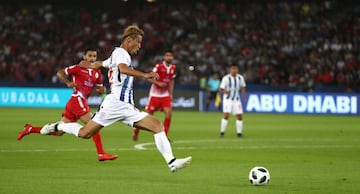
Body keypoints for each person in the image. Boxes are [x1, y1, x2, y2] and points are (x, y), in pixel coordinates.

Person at [40, 25, 192, 172]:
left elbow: (101, 64)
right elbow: (123, 69)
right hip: (114, 104)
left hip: (126, 107)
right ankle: (58, 127)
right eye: (137, 42)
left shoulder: (116, 55)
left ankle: (172, 162)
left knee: (157, 126)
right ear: (128, 40)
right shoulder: (121, 53)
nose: (139, 46)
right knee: (85, 134)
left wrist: (91, 64)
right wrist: (145, 74)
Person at [17, 48, 118, 162]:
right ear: (84, 56)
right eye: (89, 56)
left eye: (94, 56)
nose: (92, 58)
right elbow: (60, 72)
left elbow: (99, 88)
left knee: (59, 132)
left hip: (77, 103)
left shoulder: (97, 72)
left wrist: (102, 90)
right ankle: (101, 154)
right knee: (93, 125)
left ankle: (30, 129)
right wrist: (68, 82)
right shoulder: (78, 68)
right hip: (77, 100)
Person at [132, 50, 176, 141]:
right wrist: (158, 83)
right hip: (155, 95)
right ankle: (136, 132)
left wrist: (171, 94)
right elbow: (149, 79)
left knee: (169, 113)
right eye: (167, 55)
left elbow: (171, 81)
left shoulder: (173, 68)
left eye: (170, 56)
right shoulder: (158, 66)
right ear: (164, 57)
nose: (169, 57)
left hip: (165, 95)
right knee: (147, 116)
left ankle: (164, 136)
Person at [218, 63, 247, 138]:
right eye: (233, 69)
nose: (234, 70)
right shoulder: (226, 78)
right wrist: (225, 92)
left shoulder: (240, 78)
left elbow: (243, 87)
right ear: (230, 69)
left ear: (237, 70)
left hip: (237, 100)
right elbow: (221, 89)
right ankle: (222, 132)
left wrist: (244, 95)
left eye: (235, 69)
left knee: (239, 116)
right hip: (228, 99)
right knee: (226, 115)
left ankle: (239, 133)